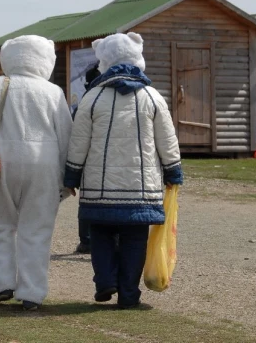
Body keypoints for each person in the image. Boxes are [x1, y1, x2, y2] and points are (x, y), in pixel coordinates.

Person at [64, 32, 183, 309]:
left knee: (101, 234)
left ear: (103, 60)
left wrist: (71, 177)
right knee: (134, 239)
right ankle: (129, 296)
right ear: (138, 58)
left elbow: (78, 142)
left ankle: (105, 281)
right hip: (141, 187)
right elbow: (167, 140)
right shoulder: (152, 97)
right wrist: (173, 173)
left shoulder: (92, 97)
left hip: (98, 187)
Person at [0, 35, 73, 311]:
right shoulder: (53, 92)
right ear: (44, 59)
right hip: (45, 165)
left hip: (4, 163)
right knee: (37, 230)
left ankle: (3, 285)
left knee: (0, 225)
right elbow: (66, 136)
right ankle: (32, 294)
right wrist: (67, 177)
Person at [73, 64, 101, 255]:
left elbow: (77, 134)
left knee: (87, 200)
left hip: (90, 159)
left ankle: (87, 241)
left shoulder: (87, 100)